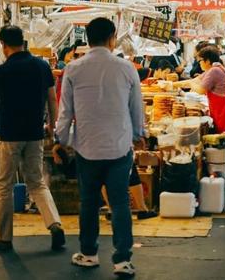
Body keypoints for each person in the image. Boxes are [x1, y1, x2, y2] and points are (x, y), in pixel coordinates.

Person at [54, 18, 143, 277]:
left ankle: (89, 254)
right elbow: (136, 108)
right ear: (112, 38)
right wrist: (138, 134)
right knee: (119, 204)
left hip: (87, 148)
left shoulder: (73, 68)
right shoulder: (127, 68)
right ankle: (122, 260)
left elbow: (65, 112)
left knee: (89, 203)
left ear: (88, 38)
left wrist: (61, 141)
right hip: (119, 147)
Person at [0, 25, 64, 252]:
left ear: (3, 45)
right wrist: (52, 126)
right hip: (35, 133)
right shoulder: (42, 66)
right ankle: (55, 224)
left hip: (9, 135)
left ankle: (4, 238)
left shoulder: (4, 70)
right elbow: (52, 99)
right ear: (23, 41)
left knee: (4, 186)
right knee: (37, 183)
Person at [175, 47, 225, 139]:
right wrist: (172, 84)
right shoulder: (213, 69)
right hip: (220, 111)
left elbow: (201, 90)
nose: (199, 63)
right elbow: (194, 81)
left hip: (224, 112)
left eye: (200, 61)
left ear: (207, 61)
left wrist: (191, 84)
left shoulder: (214, 71)